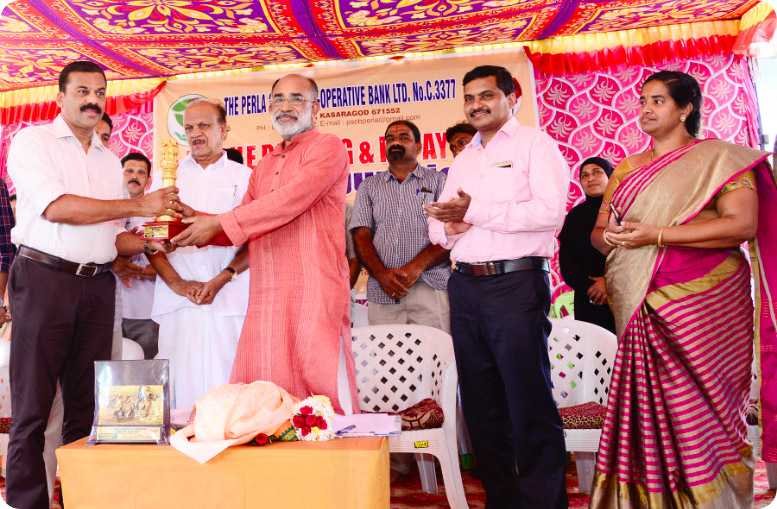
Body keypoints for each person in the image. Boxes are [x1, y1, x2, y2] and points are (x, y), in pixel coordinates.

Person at [588, 70, 777, 507]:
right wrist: (613, 236)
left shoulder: (720, 160)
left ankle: (716, 499)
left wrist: (656, 234)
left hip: (705, 303)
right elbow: (600, 233)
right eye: (642, 101)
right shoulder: (629, 169)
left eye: (657, 101)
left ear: (685, 108)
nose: (646, 110)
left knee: (705, 405)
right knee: (649, 406)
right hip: (642, 299)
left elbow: (741, 224)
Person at [5, 60, 180, 509]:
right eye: (82, 91)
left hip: (99, 286)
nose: (92, 100)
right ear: (60, 97)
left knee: (88, 408)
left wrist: (156, 239)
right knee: (33, 410)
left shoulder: (108, 159)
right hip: (44, 281)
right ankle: (29, 503)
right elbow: (59, 209)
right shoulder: (33, 142)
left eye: (100, 92)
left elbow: (110, 235)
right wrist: (139, 202)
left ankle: (83, 500)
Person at [425, 65, 570, 508]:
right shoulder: (464, 158)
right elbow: (438, 227)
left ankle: (543, 502)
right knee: (482, 406)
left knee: (527, 400)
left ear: (512, 98)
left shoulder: (536, 145)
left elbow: (549, 213)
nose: (476, 105)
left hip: (516, 283)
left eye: (486, 95)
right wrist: (452, 226)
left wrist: (476, 214)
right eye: (469, 98)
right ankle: (502, 500)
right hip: (465, 287)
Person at [172, 74, 359, 415]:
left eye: (296, 99)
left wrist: (215, 222)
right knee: (269, 390)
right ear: (269, 107)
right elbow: (242, 223)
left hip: (313, 286)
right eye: (279, 100)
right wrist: (191, 219)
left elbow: (289, 201)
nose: (286, 107)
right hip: (268, 292)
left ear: (315, 108)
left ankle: (337, 463)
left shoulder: (328, 147)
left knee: (321, 388)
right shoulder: (265, 165)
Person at [148, 98, 251, 410]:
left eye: (204, 125)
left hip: (231, 296)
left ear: (223, 130)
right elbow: (149, 236)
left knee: (232, 392)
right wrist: (178, 284)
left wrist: (222, 279)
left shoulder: (245, 177)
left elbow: (257, 240)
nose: (195, 134)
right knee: (181, 393)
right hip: (181, 300)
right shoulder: (167, 179)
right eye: (189, 127)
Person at [351, 120, 451, 333]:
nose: (395, 142)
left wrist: (415, 268)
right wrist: (382, 275)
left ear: (419, 147)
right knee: (390, 364)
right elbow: (361, 236)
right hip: (383, 291)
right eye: (390, 139)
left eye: (404, 137)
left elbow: (449, 233)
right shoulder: (369, 186)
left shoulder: (439, 181)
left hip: (429, 286)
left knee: (436, 361)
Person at [557, 157, 616, 333]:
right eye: (584, 175)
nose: (590, 178)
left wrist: (610, 283)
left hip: (626, 296)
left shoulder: (627, 211)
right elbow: (568, 265)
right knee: (593, 356)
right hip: (591, 301)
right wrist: (592, 288)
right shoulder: (575, 217)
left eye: (597, 172)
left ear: (611, 177)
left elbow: (638, 256)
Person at [120, 152, 160, 359]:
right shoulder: (106, 212)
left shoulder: (158, 218)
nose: (134, 176)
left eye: (141, 172)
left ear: (149, 180)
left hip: (147, 312)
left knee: (146, 376)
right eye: (129, 171)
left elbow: (172, 266)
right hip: (109, 311)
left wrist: (139, 271)